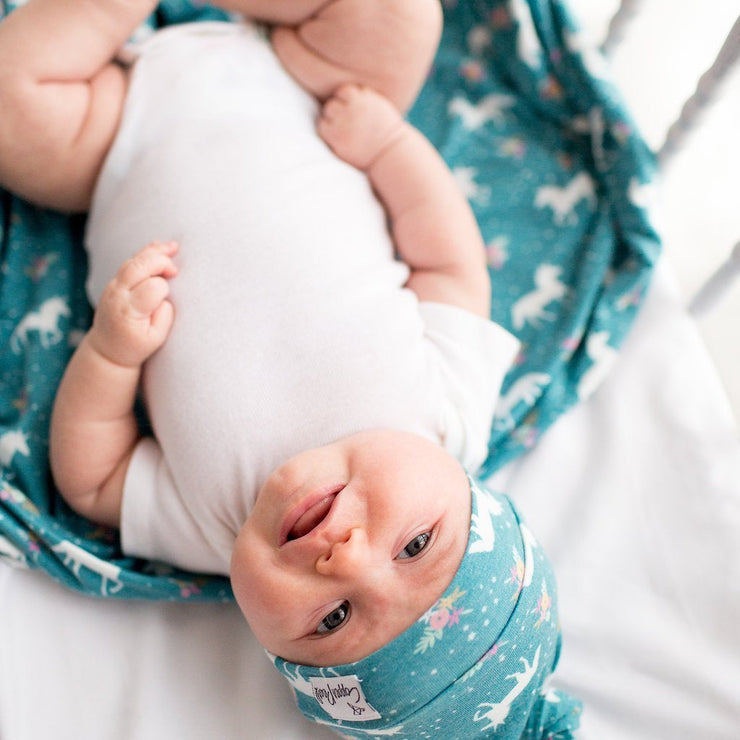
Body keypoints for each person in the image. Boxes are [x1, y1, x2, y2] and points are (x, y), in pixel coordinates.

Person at [0, 1, 581, 736]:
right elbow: (450, 262)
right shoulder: (448, 413)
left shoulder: (215, 531)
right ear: (471, 492)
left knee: (10, 102)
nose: (346, 559)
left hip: (113, 144)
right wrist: (389, 145)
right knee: (398, 15)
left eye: (334, 619)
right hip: (303, 90)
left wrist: (112, 352)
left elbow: (93, 478)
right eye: (415, 545)